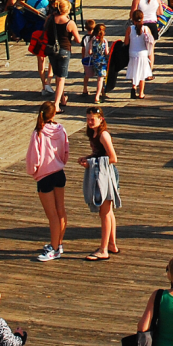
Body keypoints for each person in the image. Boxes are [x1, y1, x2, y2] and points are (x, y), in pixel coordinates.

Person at [26, 101, 69, 262]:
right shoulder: (61, 129)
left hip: (44, 176)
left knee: (52, 215)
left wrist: (33, 172)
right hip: (59, 172)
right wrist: (61, 163)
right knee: (61, 211)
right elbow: (65, 150)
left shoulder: (38, 133)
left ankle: (55, 248)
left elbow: (34, 157)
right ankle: (58, 242)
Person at [78, 106, 119, 260]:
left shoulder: (103, 135)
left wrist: (92, 163)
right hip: (99, 172)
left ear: (101, 119)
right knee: (108, 212)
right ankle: (112, 244)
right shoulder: (93, 133)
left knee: (105, 213)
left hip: (106, 175)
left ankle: (103, 250)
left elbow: (113, 158)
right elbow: (98, 154)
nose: (89, 122)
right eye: (87, 119)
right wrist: (87, 158)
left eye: (92, 119)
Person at [44, 0, 81, 110]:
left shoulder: (49, 19)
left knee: (57, 75)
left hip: (51, 49)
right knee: (61, 78)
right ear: (66, 10)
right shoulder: (70, 23)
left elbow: (45, 30)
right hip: (64, 49)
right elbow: (78, 40)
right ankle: (56, 105)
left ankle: (62, 98)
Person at [131, 0, 162, 73]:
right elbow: (160, 12)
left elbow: (132, 14)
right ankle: (150, 70)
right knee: (151, 50)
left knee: (141, 49)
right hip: (153, 25)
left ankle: (140, 69)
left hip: (141, 25)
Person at [124, 9, 155, 100]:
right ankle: (141, 93)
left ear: (133, 19)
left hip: (132, 53)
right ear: (142, 18)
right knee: (142, 73)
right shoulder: (146, 29)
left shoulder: (130, 29)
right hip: (143, 54)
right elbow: (151, 41)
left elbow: (126, 42)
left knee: (134, 71)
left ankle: (134, 86)